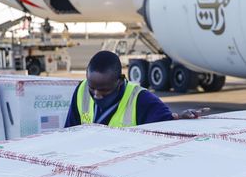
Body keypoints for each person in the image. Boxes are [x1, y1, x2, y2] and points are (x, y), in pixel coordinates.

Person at [64, 50, 208, 128]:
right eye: (92, 88)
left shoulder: (141, 100)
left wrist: (180, 119)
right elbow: (70, 132)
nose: (96, 95)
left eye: (104, 91)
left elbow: (166, 126)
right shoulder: (81, 91)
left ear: (120, 81)